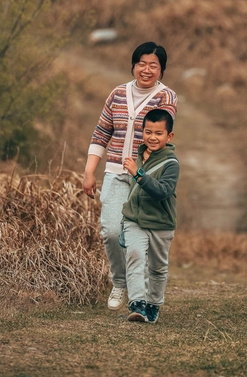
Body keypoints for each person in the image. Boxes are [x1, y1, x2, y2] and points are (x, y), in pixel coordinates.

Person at [83, 42, 177, 311]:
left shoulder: (166, 97)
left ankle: (143, 290)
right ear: (134, 65)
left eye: (154, 65)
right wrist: (90, 171)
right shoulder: (117, 94)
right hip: (114, 172)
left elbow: (158, 136)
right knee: (111, 232)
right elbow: (102, 132)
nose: (146, 70)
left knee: (140, 237)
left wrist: (142, 171)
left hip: (145, 177)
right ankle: (120, 282)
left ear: (162, 70)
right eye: (142, 63)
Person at [120, 109, 179, 324]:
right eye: (148, 132)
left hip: (161, 223)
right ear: (142, 132)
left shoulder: (171, 163)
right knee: (134, 256)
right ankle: (137, 304)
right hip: (134, 220)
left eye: (159, 133)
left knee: (157, 267)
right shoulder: (138, 155)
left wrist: (138, 173)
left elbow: (163, 191)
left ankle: (154, 304)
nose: (152, 137)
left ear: (169, 136)